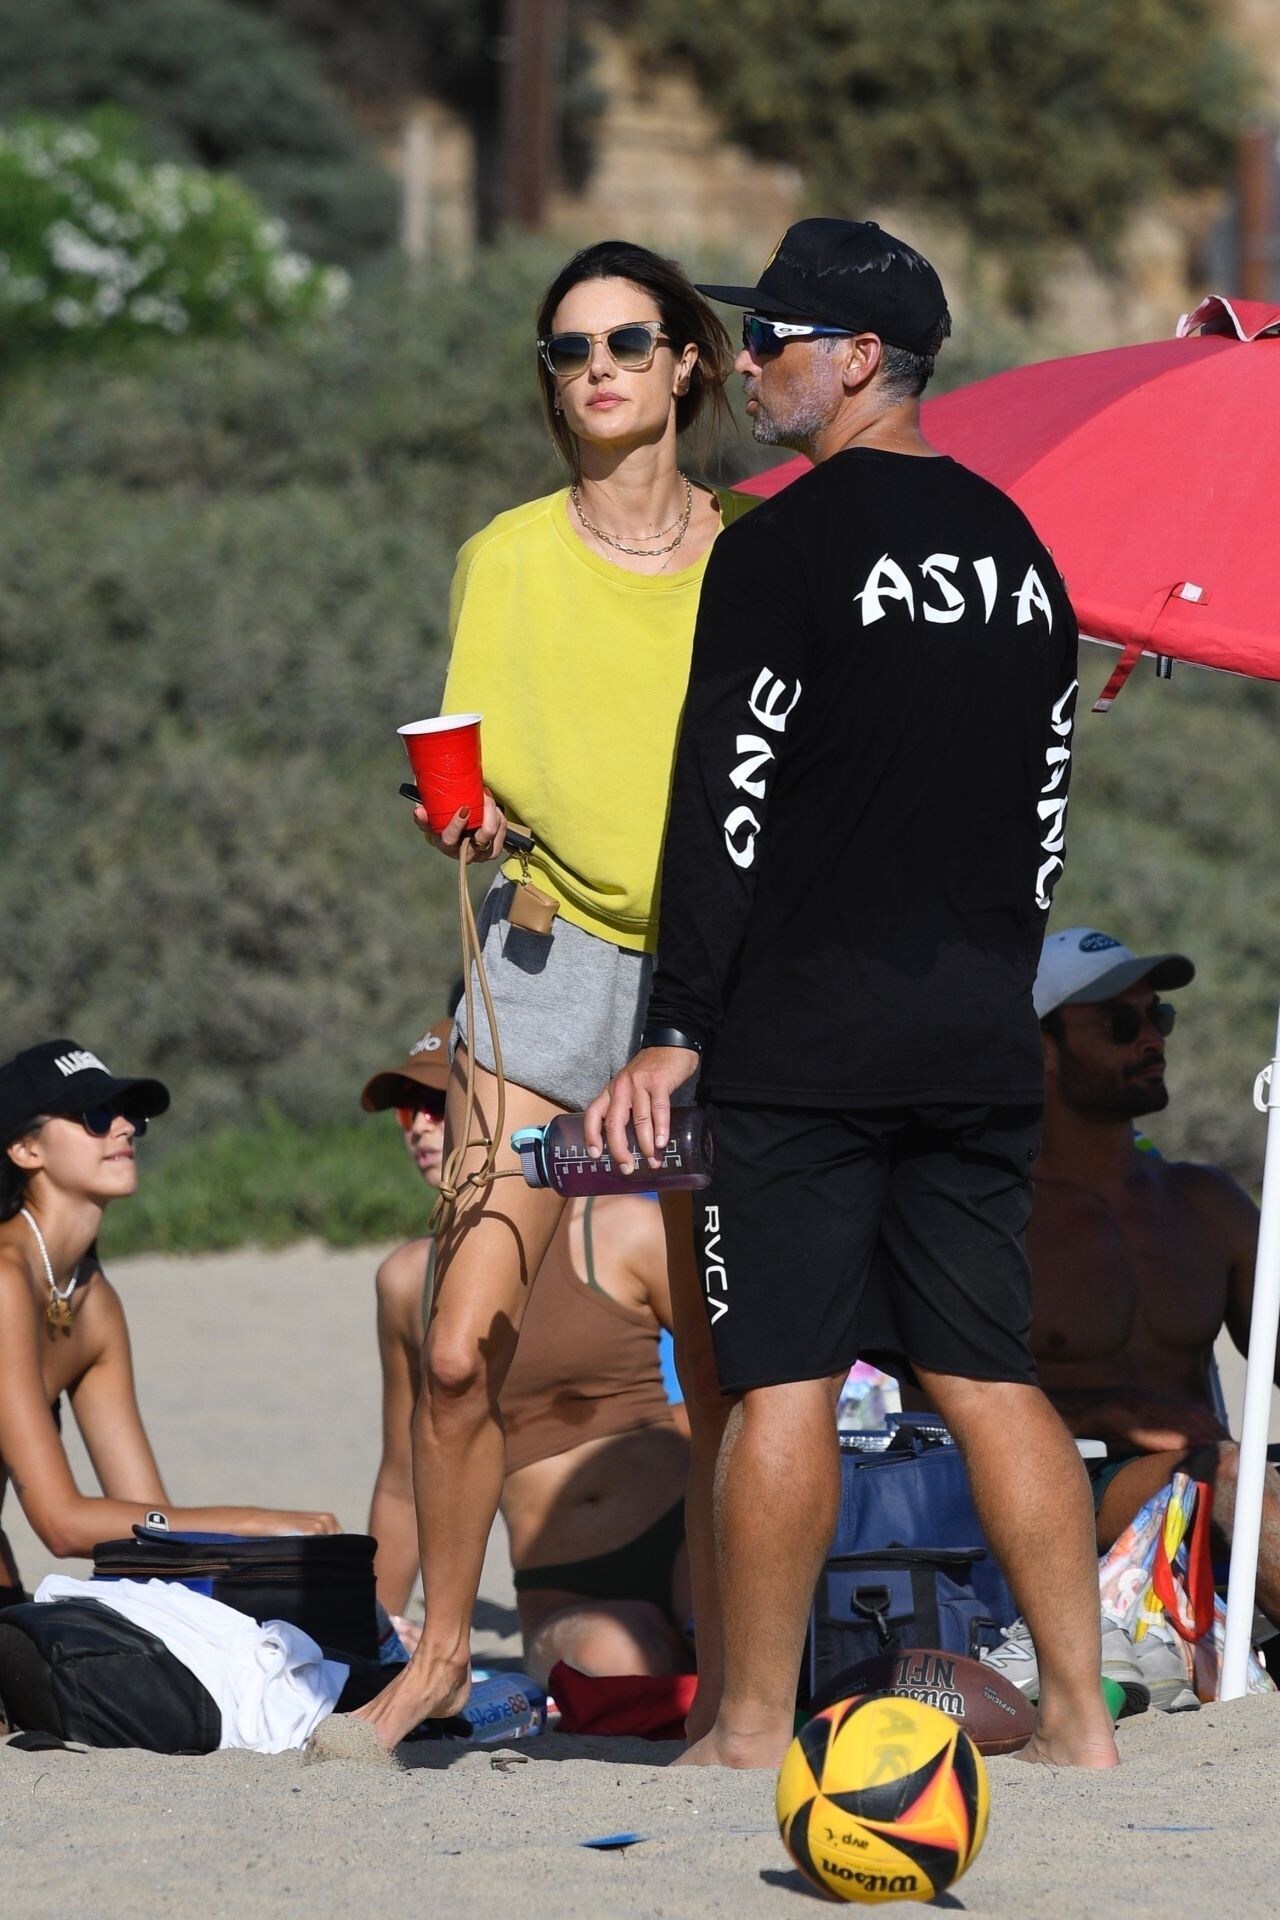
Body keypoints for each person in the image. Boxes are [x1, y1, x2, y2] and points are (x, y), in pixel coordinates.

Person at [589, 217, 1119, 1769]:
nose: (747, 363)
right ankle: (1079, 1721)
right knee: (990, 1375)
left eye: (774, 339)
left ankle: (751, 1727)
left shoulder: (780, 544)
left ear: (861, 358)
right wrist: (991, 984)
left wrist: (675, 1028)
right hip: (977, 1031)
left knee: (783, 1383)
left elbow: (725, 805)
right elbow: (1045, 817)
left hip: (804, 1038)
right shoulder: (1022, 554)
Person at [356, 240, 746, 1746]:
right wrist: (454, 813)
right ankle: (444, 1657)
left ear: (687, 362)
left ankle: (736, 1666)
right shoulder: (506, 555)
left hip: (714, 971)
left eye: (630, 341)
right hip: (542, 957)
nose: (599, 370)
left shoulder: (756, 549)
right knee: (460, 1339)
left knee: (719, 1349)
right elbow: (475, 759)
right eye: (570, 349)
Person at [362, 1024, 692, 1684]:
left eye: (436, 1104)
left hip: (684, 1533)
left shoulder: (620, 1229)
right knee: (622, 1665)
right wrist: (368, 1631)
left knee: (727, 1644)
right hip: (565, 1583)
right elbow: (403, 1479)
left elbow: (730, 1379)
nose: (419, 1126)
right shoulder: (409, 1282)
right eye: (406, 1112)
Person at [0, 1040, 338, 1608]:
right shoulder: (4, 1277)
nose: (123, 1128)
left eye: (128, 1114)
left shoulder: (94, 1301)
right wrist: (251, 1523)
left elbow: (151, 1527)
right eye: (96, 1115)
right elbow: (60, 1523)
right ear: (25, 1148)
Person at [1028, 927, 1276, 1616]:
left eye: (1157, 1016)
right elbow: (935, 1411)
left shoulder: (1206, 1202)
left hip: (1215, 1475)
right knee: (1230, 1476)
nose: (1151, 1039)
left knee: (1232, 1474)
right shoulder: (1000, 1218)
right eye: (1120, 1023)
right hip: (1073, 1491)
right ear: (1041, 1047)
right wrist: (1106, 1411)